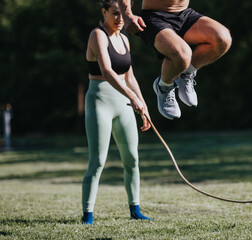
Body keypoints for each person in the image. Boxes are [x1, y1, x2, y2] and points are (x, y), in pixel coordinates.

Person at [82, 0, 151, 224]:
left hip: (124, 104)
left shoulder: (124, 39)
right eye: (115, 14)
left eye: (123, 15)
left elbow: (129, 76)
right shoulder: (97, 35)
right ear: (103, 12)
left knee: (132, 158)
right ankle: (88, 215)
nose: (120, 19)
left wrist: (142, 104)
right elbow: (108, 71)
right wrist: (132, 98)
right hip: (100, 101)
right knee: (98, 161)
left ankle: (135, 210)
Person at [117, 0, 232, 120]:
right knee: (182, 55)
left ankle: (185, 73)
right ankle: (164, 86)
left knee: (222, 39)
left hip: (184, 14)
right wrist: (127, 15)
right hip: (154, 18)